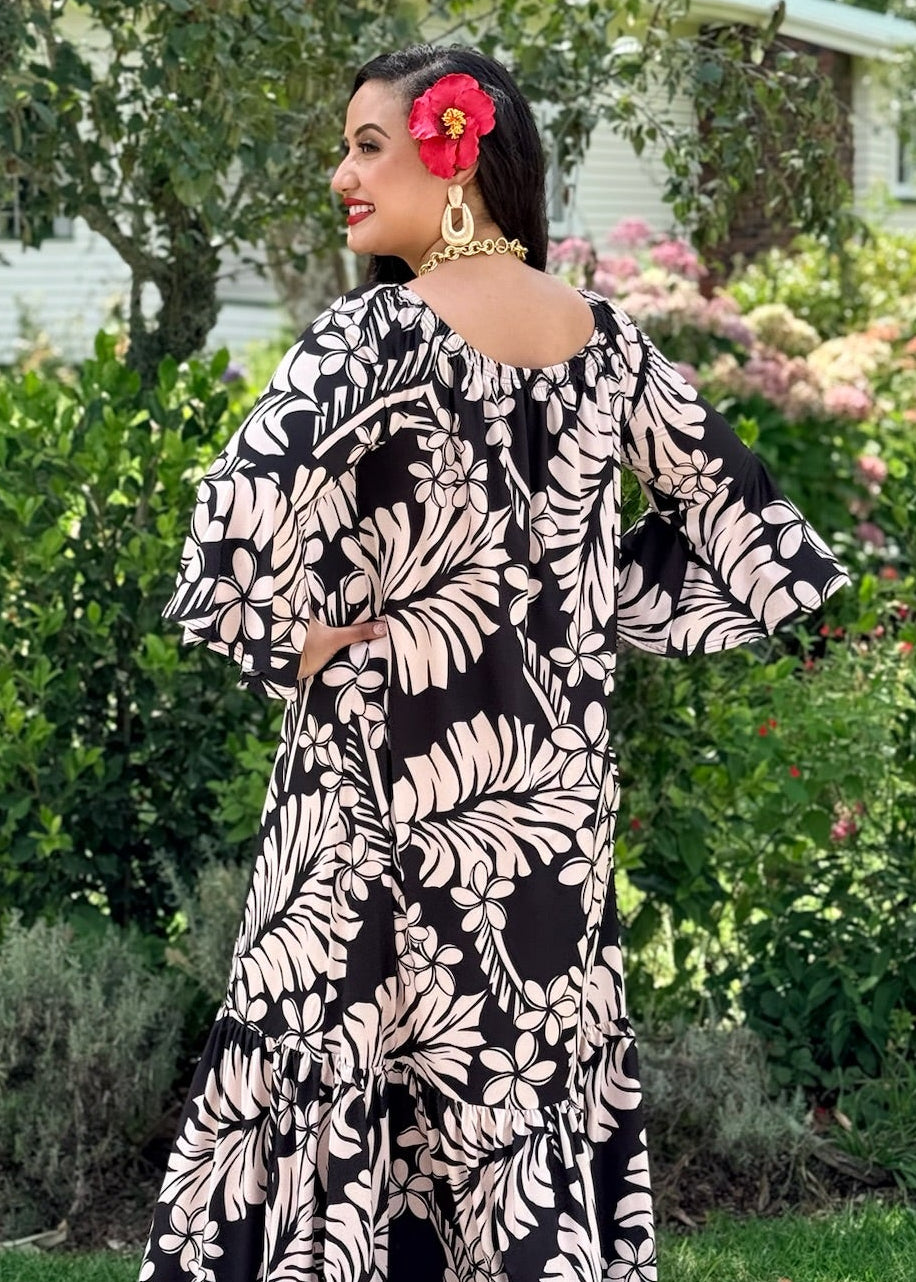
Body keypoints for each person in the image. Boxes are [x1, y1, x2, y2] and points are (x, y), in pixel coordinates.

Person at [138, 42, 850, 1282]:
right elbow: (748, 533)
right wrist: (573, 608)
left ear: (455, 157)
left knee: (334, 1075)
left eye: (367, 145)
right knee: (512, 1101)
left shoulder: (366, 342)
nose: (339, 174)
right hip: (546, 830)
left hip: (368, 810)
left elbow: (227, 543)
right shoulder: (611, 345)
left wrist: (294, 635)